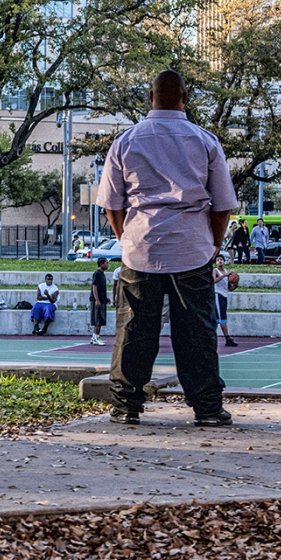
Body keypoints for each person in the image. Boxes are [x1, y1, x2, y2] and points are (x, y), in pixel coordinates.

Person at [98, 69, 238, 428]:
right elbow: (222, 205)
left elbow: (113, 204)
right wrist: (212, 244)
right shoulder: (205, 141)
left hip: (141, 246)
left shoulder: (126, 141)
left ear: (150, 97)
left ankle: (126, 405)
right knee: (197, 331)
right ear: (185, 98)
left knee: (133, 329)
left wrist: (126, 236)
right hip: (192, 246)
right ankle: (206, 407)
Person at [213, 255, 238, 347]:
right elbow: (214, 281)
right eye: (218, 260)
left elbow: (229, 288)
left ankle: (214, 337)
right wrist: (224, 276)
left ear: (224, 262)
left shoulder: (227, 272)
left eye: (221, 260)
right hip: (217, 295)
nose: (220, 261)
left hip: (224, 295)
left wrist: (235, 285)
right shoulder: (215, 271)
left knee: (220, 318)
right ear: (216, 262)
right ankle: (227, 338)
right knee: (221, 318)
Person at [89, 258, 108, 346]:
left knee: (100, 319)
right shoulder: (97, 274)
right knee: (98, 319)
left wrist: (105, 298)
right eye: (106, 263)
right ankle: (97, 337)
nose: (107, 265)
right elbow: (94, 287)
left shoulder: (102, 274)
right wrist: (97, 300)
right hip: (98, 300)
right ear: (101, 264)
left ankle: (93, 337)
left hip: (102, 299)